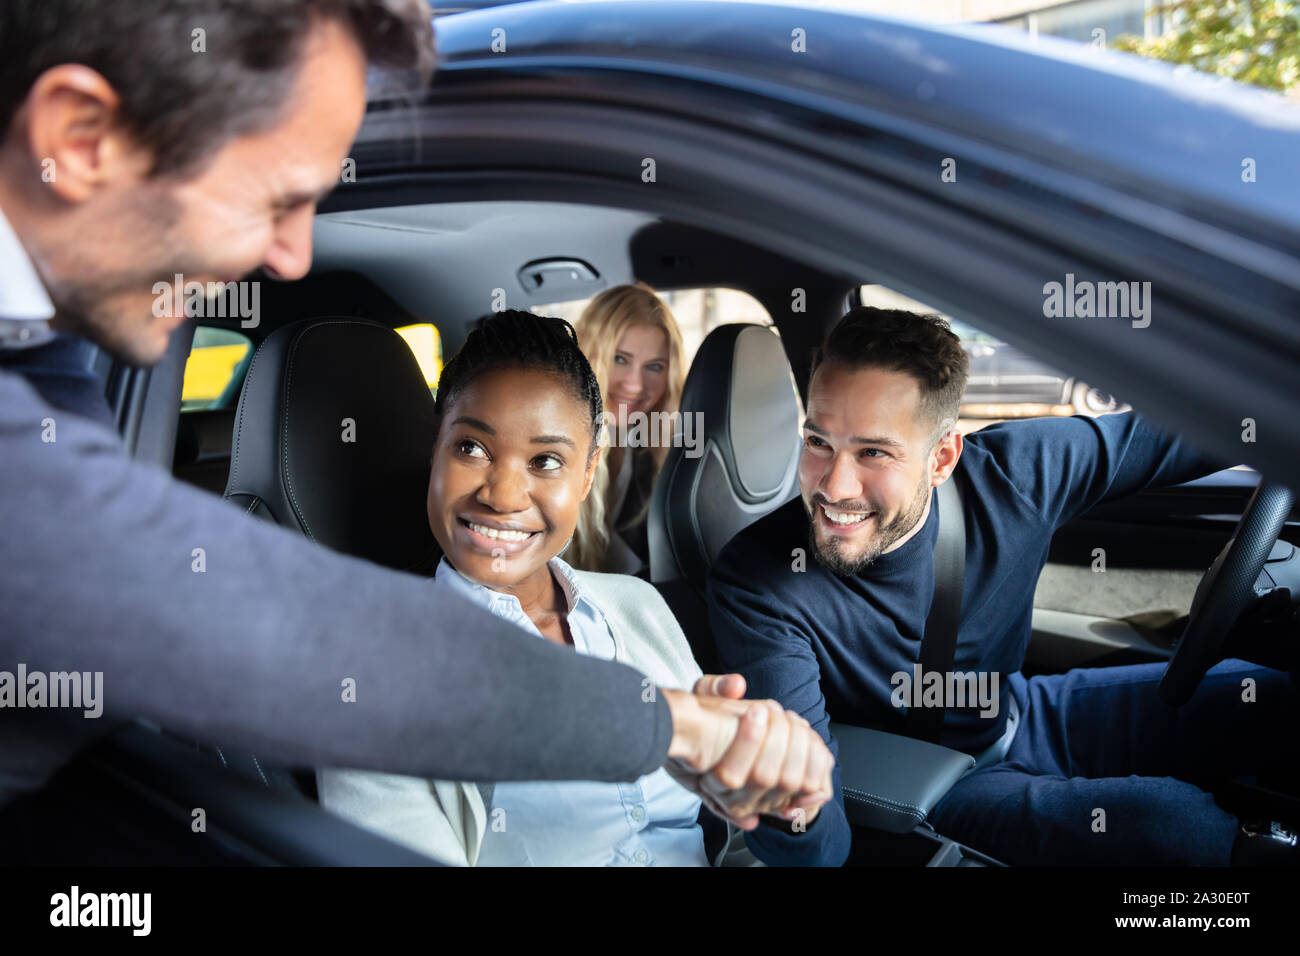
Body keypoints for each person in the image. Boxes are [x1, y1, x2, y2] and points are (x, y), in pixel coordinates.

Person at [0, 0, 829, 852]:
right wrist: (674, 727)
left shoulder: (48, 365)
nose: (290, 256)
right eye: (276, 195)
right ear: (80, 136)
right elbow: (306, 631)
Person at [708, 307, 1300, 866]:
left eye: (873, 452)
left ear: (942, 460)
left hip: (1023, 714)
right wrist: (792, 803)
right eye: (819, 443)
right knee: (1173, 826)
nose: (834, 486)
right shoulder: (757, 583)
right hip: (938, 784)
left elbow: (1191, 433)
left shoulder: (1019, 474)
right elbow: (820, 839)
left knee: (1276, 698)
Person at [319, 311, 832, 865]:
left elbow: (730, 844)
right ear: (435, 451)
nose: (505, 494)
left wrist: (773, 804)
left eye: (546, 461)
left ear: (586, 476)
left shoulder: (638, 607)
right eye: (471, 448)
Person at [568, 283, 685, 575]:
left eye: (654, 367)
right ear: (588, 354)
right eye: (619, 359)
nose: (635, 385)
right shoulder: (547, 446)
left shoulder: (664, 453)